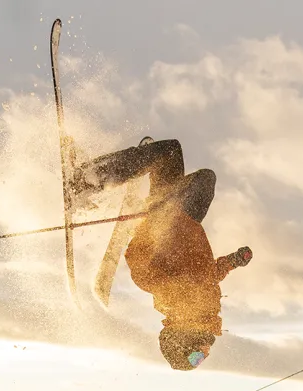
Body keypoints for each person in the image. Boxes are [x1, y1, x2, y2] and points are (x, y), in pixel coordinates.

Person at [65, 138, 253, 370]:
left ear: (182, 342)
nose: (204, 356)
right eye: (199, 360)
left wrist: (147, 228)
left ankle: (86, 181)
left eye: (196, 358)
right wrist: (233, 261)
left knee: (171, 155)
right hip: (184, 221)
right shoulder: (201, 314)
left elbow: (144, 272)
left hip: (172, 219)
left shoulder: (181, 307)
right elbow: (209, 275)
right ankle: (94, 177)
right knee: (194, 170)